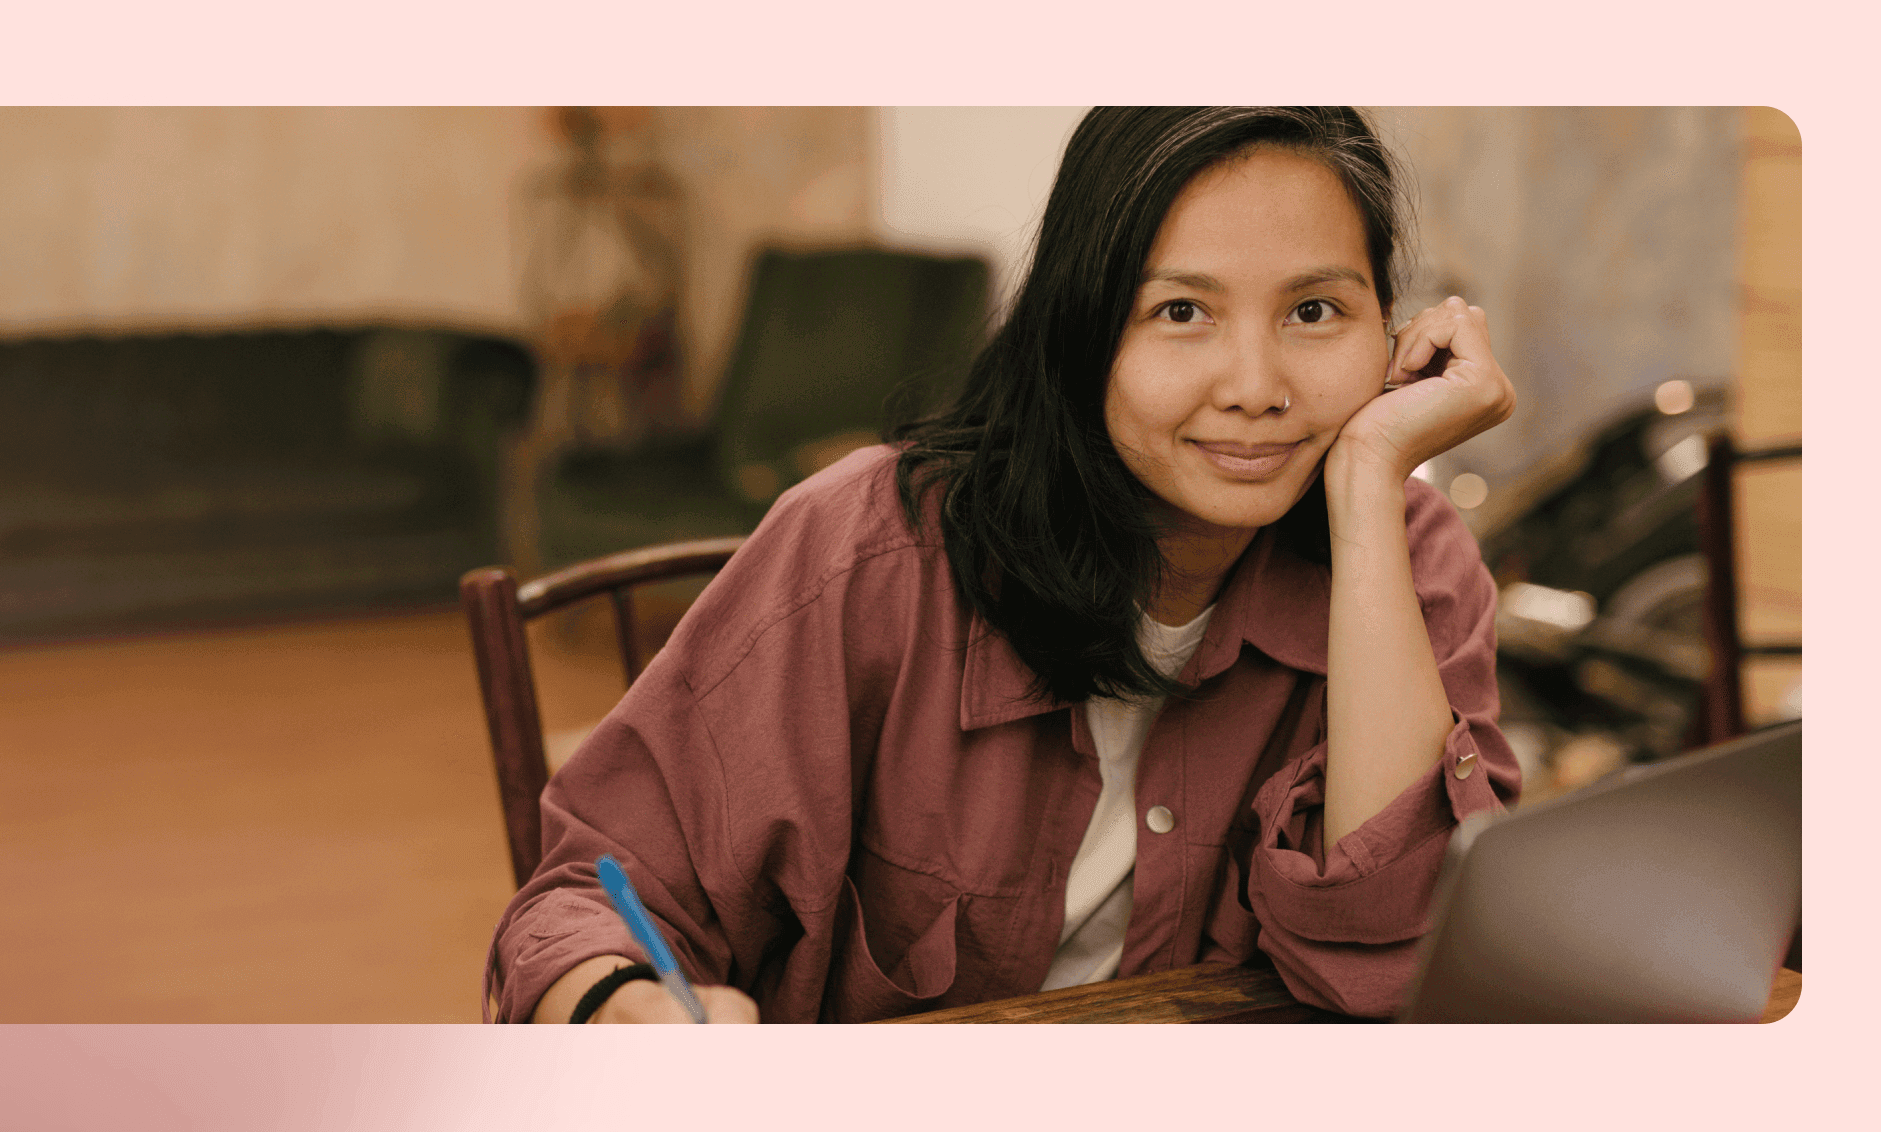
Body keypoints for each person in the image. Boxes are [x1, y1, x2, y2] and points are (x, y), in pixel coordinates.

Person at [485, 106, 1519, 1024]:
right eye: (1180, 311)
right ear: (1078, 329)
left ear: (1387, 331)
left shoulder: (1405, 553)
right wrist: (625, 1013)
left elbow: (1400, 967)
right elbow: (584, 903)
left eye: (1313, 312)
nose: (1255, 386)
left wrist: (1374, 472)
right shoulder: (867, 547)